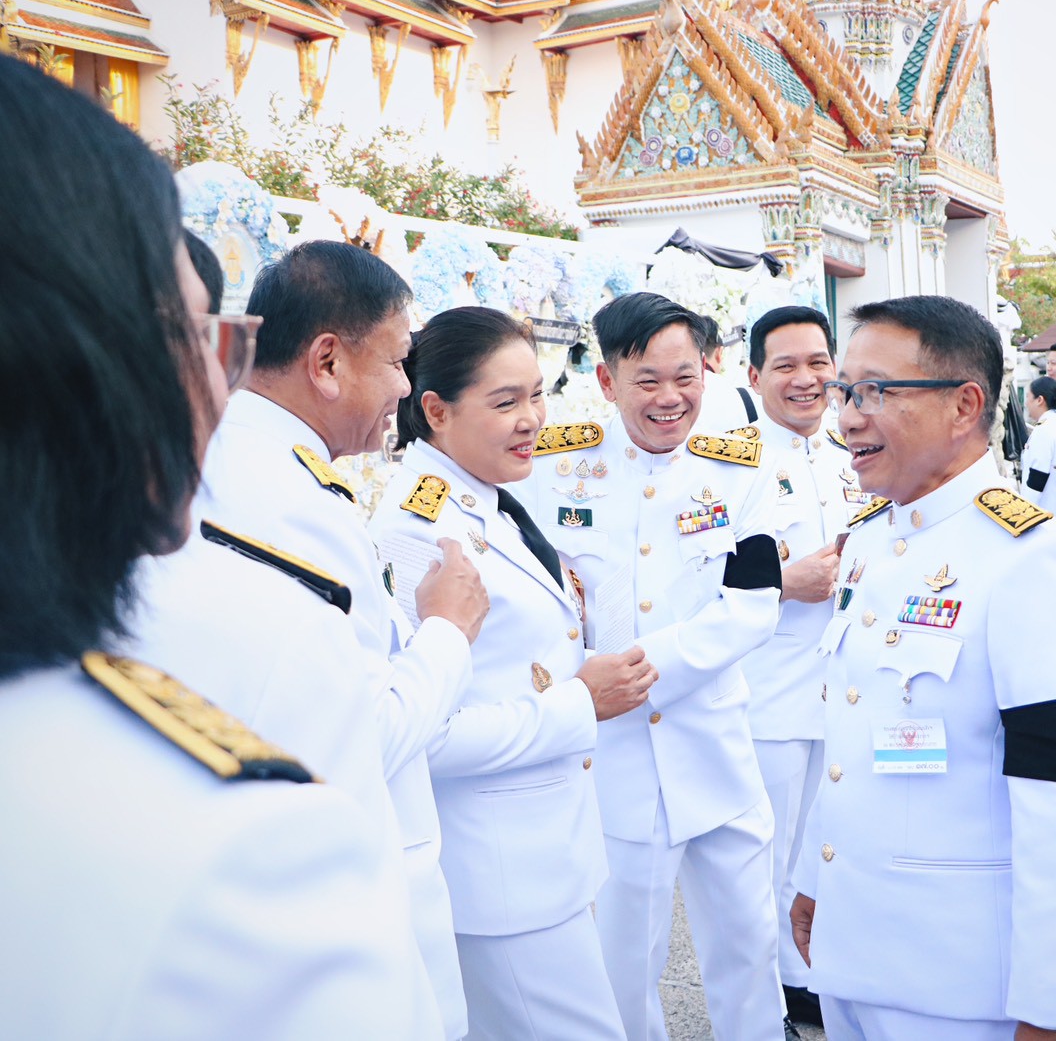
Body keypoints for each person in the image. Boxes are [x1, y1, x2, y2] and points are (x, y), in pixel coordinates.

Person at [0, 56, 431, 1037]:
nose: (214, 388)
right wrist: (450, 635)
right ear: (75, 365)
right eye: (198, 336)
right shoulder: (245, 866)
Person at [792, 295, 1056, 1040]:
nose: (847, 418)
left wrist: (1054, 1009)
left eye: (875, 391)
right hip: (849, 952)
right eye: (845, 391)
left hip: (959, 983)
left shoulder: (1035, 561)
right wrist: (813, 879)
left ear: (964, 405)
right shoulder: (868, 540)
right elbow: (850, 741)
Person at [197, 240, 490, 1039]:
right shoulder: (290, 505)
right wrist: (447, 630)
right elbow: (363, 732)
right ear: (326, 361)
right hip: (349, 890)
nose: (404, 387)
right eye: (397, 360)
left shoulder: (240, 460)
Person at [370, 307, 662, 1040]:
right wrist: (578, 702)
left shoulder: (489, 498)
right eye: (505, 402)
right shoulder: (415, 529)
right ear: (435, 410)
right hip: (499, 879)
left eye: (537, 394)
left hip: (544, 857)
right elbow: (419, 733)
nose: (532, 418)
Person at [509, 292, 785, 1041]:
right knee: (622, 960)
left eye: (686, 377)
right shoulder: (551, 466)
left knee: (749, 945)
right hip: (614, 761)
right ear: (606, 381)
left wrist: (634, 671)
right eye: (648, 381)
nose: (671, 398)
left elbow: (754, 604)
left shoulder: (740, 469)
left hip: (717, 751)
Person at [737, 304, 858, 1030]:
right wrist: (783, 583)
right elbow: (699, 576)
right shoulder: (727, 464)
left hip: (838, 689)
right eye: (785, 365)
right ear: (754, 376)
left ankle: (802, 971)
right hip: (768, 691)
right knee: (764, 852)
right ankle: (761, 1000)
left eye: (817, 362)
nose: (805, 378)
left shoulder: (851, 455)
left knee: (819, 846)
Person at [1020, 375, 1056, 521]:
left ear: (1039, 400)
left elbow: (1037, 476)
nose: (1026, 403)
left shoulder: (1044, 429)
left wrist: (1023, 515)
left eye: (1028, 397)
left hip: (1044, 515)